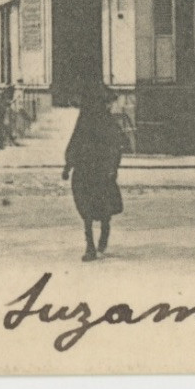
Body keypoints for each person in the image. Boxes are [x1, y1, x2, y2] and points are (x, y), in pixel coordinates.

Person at [63, 84, 125, 260]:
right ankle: (90, 246)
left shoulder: (106, 121)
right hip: (84, 169)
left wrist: (112, 167)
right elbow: (75, 141)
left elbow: (117, 145)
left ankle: (104, 233)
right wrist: (68, 166)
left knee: (102, 208)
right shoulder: (84, 119)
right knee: (86, 209)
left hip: (100, 170)